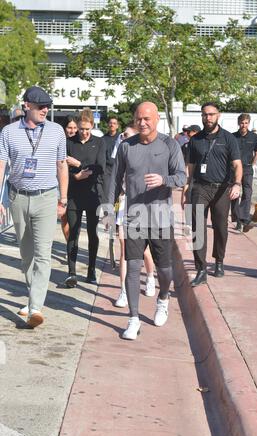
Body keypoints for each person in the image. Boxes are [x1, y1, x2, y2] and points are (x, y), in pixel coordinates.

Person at [108, 102, 186, 340]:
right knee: (132, 267)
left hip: (161, 217)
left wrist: (164, 180)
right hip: (133, 217)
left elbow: (182, 177)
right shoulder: (126, 146)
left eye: (147, 119)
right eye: (138, 119)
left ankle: (163, 298)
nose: (142, 123)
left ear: (157, 119)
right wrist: (108, 211)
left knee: (164, 270)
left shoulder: (170, 145)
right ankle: (133, 318)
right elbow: (114, 179)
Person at [0, 85, 68, 328]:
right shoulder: (8, 132)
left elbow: (62, 166)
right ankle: (32, 297)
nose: (45, 110)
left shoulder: (57, 131)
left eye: (47, 106)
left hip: (47, 197)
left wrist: (64, 199)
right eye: (40, 106)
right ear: (26, 106)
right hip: (18, 197)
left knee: (42, 253)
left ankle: (36, 307)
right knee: (26, 254)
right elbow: (1, 166)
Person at [181, 102, 242, 286]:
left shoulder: (229, 138)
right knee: (197, 228)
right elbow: (189, 168)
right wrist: (185, 191)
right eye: (205, 114)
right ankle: (201, 269)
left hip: (222, 189)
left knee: (221, 228)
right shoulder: (195, 140)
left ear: (218, 115)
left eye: (211, 114)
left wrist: (237, 184)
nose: (208, 118)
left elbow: (237, 164)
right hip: (200, 188)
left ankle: (219, 261)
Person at [114, 123, 156, 308]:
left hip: (141, 205)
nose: (124, 138)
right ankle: (123, 290)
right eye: (123, 135)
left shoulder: (144, 155)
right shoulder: (120, 155)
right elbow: (113, 182)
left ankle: (150, 276)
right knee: (124, 249)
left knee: (143, 249)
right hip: (123, 203)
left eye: (128, 135)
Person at [64, 108, 106, 287]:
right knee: (73, 232)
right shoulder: (69, 142)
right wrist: (75, 176)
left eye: (87, 129)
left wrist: (80, 165)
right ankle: (71, 273)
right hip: (73, 193)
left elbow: (100, 167)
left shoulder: (99, 142)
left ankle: (91, 271)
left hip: (91, 194)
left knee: (92, 233)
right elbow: (62, 165)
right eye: (81, 129)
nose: (84, 132)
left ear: (92, 126)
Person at [231, 113, 257, 232]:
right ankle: (237, 220)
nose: (244, 125)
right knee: (234, 195)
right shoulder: (232, 136)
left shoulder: (254, 137)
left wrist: (252, 163)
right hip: (234, 170)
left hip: (248, 169)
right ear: (238, 123)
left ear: (249, 123)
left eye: (246, 123)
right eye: (242, 123)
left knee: (247, 194)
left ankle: (243, 218)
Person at [61, 115, 79, 241]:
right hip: (62, 185)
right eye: (69, 127)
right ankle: (69, 243)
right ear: (64, 128)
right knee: (64, 217)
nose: (72, 130)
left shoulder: (80, 142)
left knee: (75, 220)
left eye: (74, 127)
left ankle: (73, 244)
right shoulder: (60, 141)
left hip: (77, 184)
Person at [101, 116, 121, 201]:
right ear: (108, 125)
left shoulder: (121, 138)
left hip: (120, 168)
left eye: (114, 123)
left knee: (119, 193)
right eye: (110, 123)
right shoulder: (102, 139)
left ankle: (117, 212)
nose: (112, 125)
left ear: (117, 126)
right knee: (107, 193)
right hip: (107, 170)